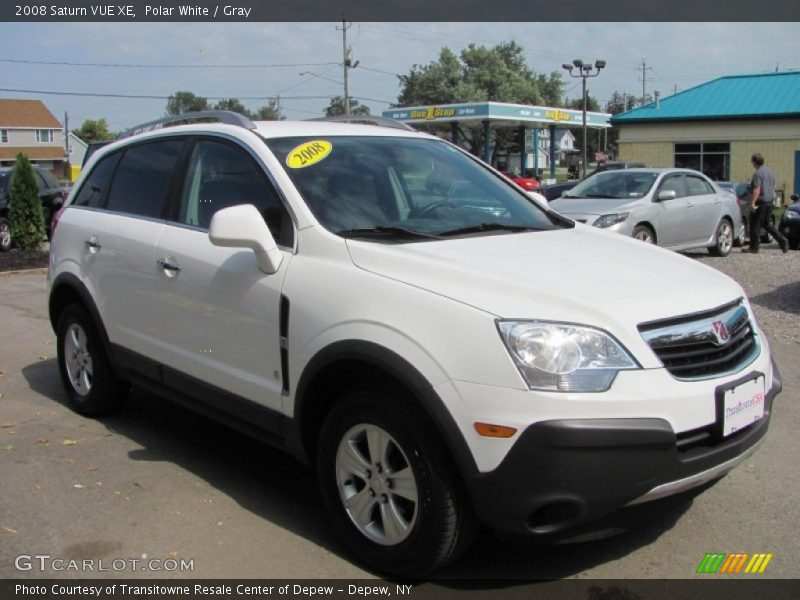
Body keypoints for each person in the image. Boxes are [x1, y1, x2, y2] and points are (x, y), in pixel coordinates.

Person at [743, 153, 788, 254]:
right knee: (766, 224)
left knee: (755, 224)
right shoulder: (769, 172)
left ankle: (754, 247)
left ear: (755, 162)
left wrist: (753, 203)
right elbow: (774, 186)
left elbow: (757, 189)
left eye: (752, 162)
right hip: (769, 201)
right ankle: (782, 240)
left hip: (761, 202)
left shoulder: (758, 173)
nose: (752, 164)